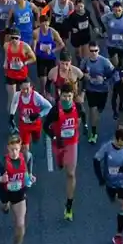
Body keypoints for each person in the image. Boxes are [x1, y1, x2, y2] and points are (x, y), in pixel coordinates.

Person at [0, 133, 36, 244]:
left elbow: (29, 163)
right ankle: (5, 207)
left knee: (20, 224)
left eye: (16, 149)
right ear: (8, 148)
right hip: (5, 193)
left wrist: (30, 176)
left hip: (19, 194)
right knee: (4, 208)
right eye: (11, 149)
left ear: (20, 147)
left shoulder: (26, 156)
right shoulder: (2, 163)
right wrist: (0, 179)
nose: (14, 152)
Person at [44, 84, 82, 221]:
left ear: (73, 96)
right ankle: (60, 161)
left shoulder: (78, 107)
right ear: (60, 95)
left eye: (69, 96)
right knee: (60, 163)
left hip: (72, 143)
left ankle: (69, 206)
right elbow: (45, 126)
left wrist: (79, 128)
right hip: (58, 143)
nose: (67, 99)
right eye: (64, 96)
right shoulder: (55, 110)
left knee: (70, 173)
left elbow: (80, 118)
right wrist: (54, 137)